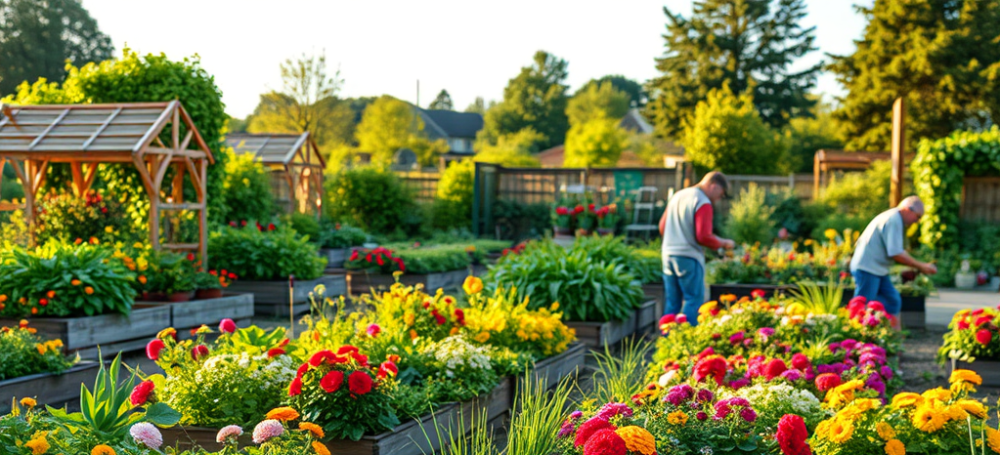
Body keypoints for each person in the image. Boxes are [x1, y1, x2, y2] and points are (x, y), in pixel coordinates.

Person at [659, 171, 736, 325]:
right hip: (689, 257)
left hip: (668, 255)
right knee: (693, 300)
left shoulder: (678, 196)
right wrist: (724, 243)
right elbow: (703, 236)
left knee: (672, 303)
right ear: (713, 186)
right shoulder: (702, 201)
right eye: (720, 194)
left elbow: (662, 227)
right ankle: (689, 343)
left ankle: (666, 343)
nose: (718, 199)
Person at [850, 196, 937, 325]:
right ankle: (854, 340)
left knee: (892, 301)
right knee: (861, 308)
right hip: (867, 268)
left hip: (877, 269)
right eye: (918, 216)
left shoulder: (895, 218)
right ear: (908, 209)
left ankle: (891, 339)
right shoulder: (894, 220)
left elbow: (896, 251)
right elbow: (896, 253)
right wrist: (921, 266)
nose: (917, 221)